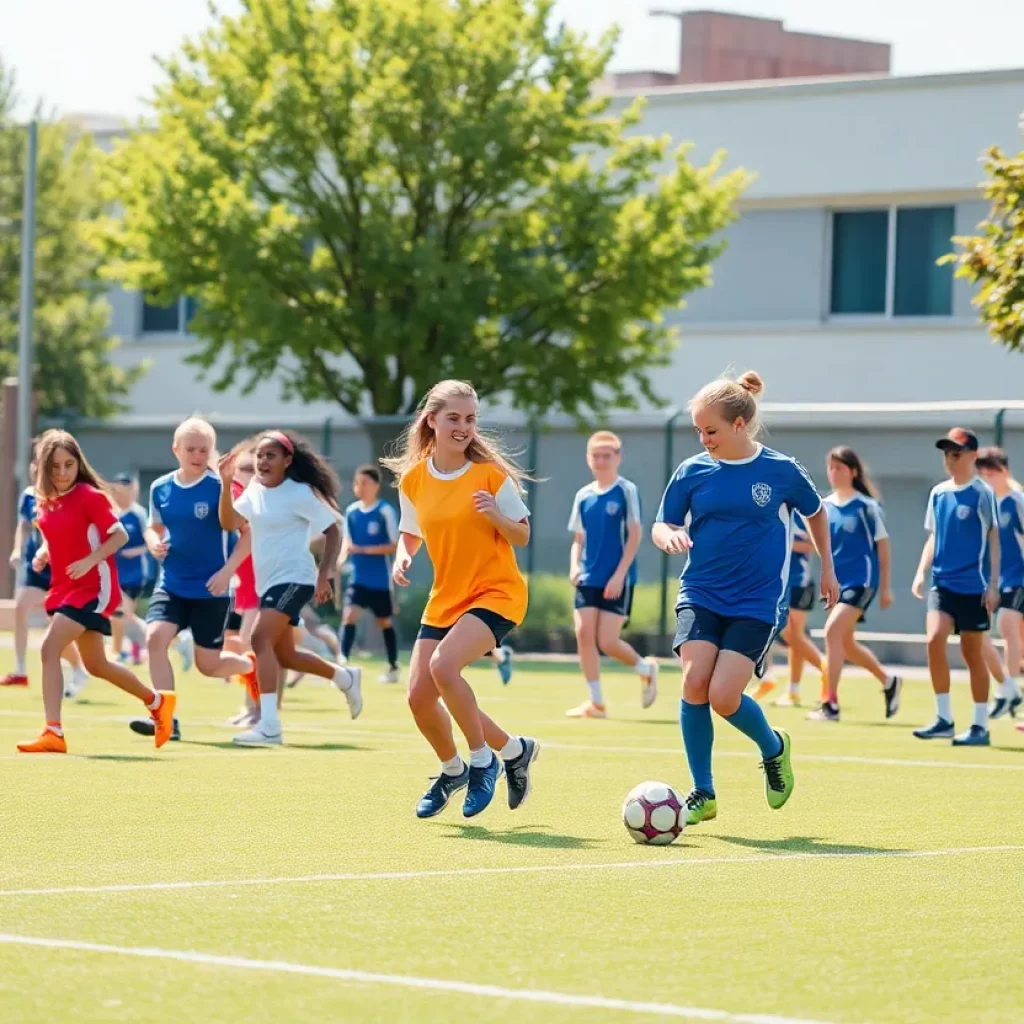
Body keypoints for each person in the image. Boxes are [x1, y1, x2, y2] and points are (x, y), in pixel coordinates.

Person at [652, 370, 839, 826]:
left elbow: (816, 514)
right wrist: (668, 537)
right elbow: (663, 522)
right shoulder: (692, 471)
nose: (703, 438)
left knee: (722, 695)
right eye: (698, 430)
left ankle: (774, 748)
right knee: (695, 682)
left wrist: (828, 568)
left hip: (757, 601)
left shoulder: (781, 470)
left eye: (710, 430)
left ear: (739, 425)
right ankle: (703, 792)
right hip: (701, 592)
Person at [384, 379, 539, 819]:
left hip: (497, 593)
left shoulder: (491, 476)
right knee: (419, 697)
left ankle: (481, 760)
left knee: (443, 667)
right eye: (453, 417)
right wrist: (402, 556)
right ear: (431, 421)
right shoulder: (413, 480)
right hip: (446, 598)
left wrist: (495, 514)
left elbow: (523, 534)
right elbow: (410, 531)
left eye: (470, 419)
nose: (463, 427)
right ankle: (475, 762)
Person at [16, 432, 175, 753]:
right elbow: (59, 533)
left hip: (93, 588)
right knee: (96, 665)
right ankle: (158, 702)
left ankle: (53, 732)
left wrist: (90, 560)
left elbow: (117, 536)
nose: (62, 472)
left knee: (49, 648)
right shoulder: (45, 502)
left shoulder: (90, 496)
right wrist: (44, 552)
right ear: (44, 468)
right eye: (55, 466)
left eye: (69, 465)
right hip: (63, 587)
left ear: (79, 464)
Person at [218, 430, 362, 746]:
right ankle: (344, 676)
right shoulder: (254, 491)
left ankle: (269, 725)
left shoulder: (298, 493)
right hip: (268, 582)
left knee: (258, 638)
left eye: (271, 455)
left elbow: (333, 531)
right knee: (285, 655)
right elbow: (229, 523)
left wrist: (326, 574)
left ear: (287, 460)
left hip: (295, 578)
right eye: (259, 455)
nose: (263, 461)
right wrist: (226, 483)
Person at [134, 417, 258, 742]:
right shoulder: (160, 487)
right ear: (176, 449)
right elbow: (153, 526)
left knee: (208, 665)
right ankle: (166, 719)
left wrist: (227, 572)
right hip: (172, 584)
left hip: (210, 589)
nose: (197, 455)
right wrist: (151, 542)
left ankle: (248, 666)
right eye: (190, 448)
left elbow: (246, 535)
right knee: (154, 638)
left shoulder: (221, 487)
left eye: (204, 449)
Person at [912, 428, 1000, 747]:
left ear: (973, 456)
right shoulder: (938, 493)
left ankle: (979, 725)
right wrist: (921, 573)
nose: (951, 459)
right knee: (934, 639)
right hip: (942, 584)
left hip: (974, 587)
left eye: (957, 453)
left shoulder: (982, 493)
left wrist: (993, 585)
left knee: (972, 654)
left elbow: (993, 539)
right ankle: (944, 719)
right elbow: (934, 536)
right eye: (947, 454)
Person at [565, 431, 657, 718]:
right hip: (588, 577)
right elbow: (578, 539)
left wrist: (619, 575)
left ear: (618, 458)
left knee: (607, 641)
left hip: (618, 578)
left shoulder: (626, 490)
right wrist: (574, 566)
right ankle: (597, 702)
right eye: (596, 455)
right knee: (583, 633)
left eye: (608, 455)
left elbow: (634, 535)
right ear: (588, 459)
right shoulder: (583, 495)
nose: (602, 460)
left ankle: (645, 667)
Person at [809, 447, 901, 722]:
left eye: (840, 467)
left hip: (862, 581)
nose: (834, 473)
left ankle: (830, 704)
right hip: (837, 583)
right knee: (844, 642)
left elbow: (883, 548)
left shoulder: (867, 507)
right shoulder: (824, 506)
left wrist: (885, 587)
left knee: (831, 632)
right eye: (831, 468)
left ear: (853, 471)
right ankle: (888, 680)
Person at [3, 446, 90, 696]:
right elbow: (23, 526)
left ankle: (79, 669)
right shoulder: (29, 496)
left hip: (60, 566)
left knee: (56, 626)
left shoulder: (65, 495)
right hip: (36, 565)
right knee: (21, 606)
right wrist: (17, 550)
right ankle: (20, 669)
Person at [338, 465, 401, 683]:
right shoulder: (351, 512)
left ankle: (393, 667)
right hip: (358, 578)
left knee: (384, 622)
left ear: (376, 486)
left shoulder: (385, 511)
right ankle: (343, 662)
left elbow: (394, 545)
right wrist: (340, 560)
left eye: (365, 483)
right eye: (357, 483)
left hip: (380, 580)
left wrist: (366, 550)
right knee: (349, 616)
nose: (360, 487)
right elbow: (348, 542)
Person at [975, 446, 1024, 718]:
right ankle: (1007, 688)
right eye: (982, 474)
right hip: (989, 580)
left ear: (1004, 472)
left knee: (1007, 624)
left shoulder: (1016, 501)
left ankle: (1011, 687)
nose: (987, 478)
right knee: (975, 632)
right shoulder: (984, 505)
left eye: (992, 473)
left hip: (1017, 576)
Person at [772, 513, 826, 707]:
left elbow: (812, 545)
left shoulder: (800, 514)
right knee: (794, 635)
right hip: (778, 580)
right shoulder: (774, 509)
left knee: (791, 634)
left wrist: (783, 542)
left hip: (797, 582)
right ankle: (793, 690)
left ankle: (825, 668)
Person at [110, 473, 148, 666]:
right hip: (113, 572)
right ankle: (121, 651)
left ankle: (127, 650)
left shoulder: (138, 514)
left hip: (133, 574)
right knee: (119, 615)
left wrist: (131, 552)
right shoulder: (111, 513)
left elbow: (148, 542)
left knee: (121, 614)